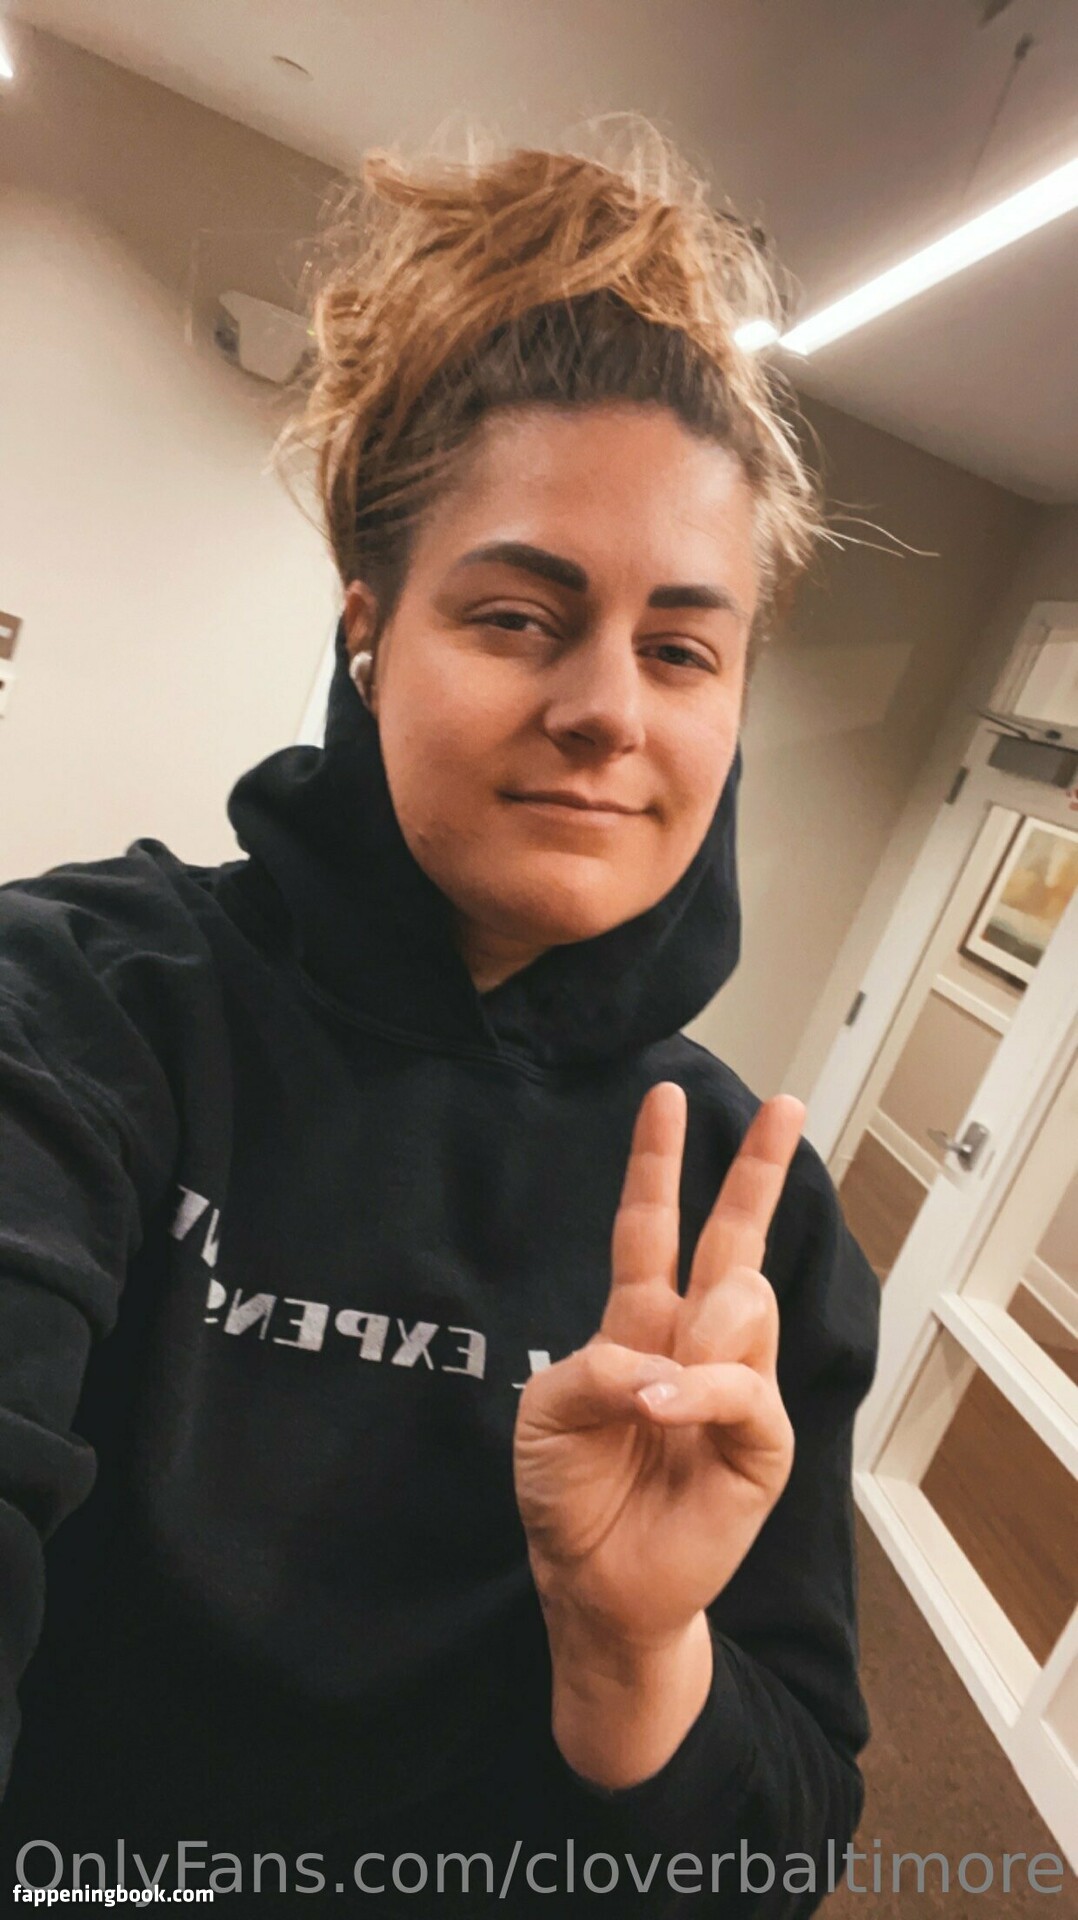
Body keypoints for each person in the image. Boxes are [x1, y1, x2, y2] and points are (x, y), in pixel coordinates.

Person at [0, 125, 880, 1915]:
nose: (605, 707)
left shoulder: (751, 1215)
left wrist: (635, 1658)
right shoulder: (83, 1004)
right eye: (518, 615)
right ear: (367, 631)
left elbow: (776, 1855)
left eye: (680, 648)